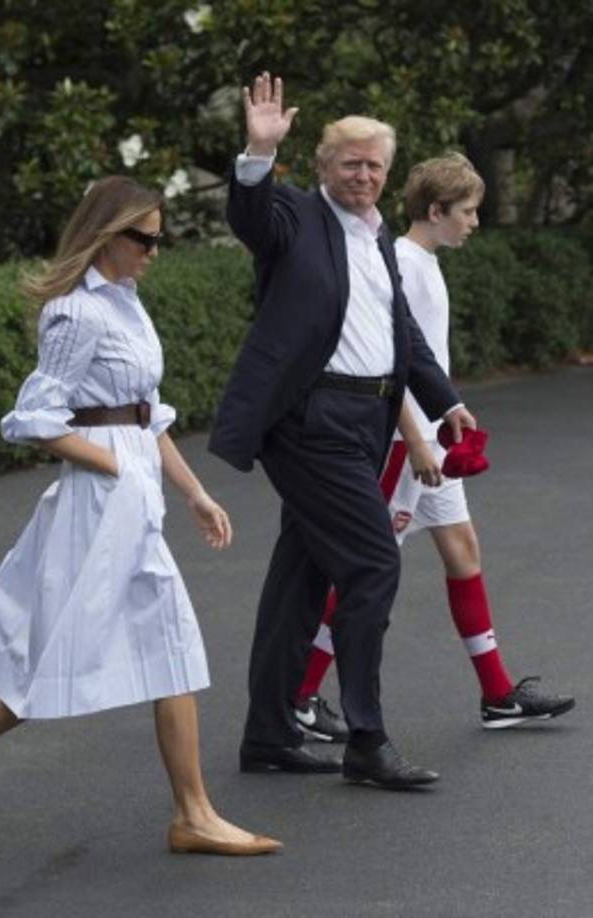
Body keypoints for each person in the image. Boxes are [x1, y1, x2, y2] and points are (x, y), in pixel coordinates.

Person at [0, 176, 281, 857]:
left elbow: (148, 413)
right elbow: (33, 419)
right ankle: (189, 814)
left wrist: (193, 492)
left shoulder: (129, 305)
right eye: (142, 239)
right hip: (99, 497)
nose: (153, 251)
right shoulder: (74, 314)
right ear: (104, 236)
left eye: (157, 238)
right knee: (123, 638)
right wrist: (110, 465)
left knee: (139, 640)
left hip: (133, 485)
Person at [209, 73, 477, 788]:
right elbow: (251, 219)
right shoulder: (295, 218)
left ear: (387, 176)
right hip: (308, 421)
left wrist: (443, 402)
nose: (362, 174)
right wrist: (257, 153)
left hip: (366, 418)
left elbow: (401, 336)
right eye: (349, 162)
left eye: (373, 165)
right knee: (371, 563)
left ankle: (267, 737)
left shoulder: (377, 235)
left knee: (300, 579)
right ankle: (366, 739)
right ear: (324, 168)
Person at [293, 153, 575, 741]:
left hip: (429, 445)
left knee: (464, 551)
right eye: (468, 212)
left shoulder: (424, 261)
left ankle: (497, 694)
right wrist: (418, 440)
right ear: (436, 210)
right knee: (362, 574)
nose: (475, 222)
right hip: (407, 448)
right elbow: (389, 363)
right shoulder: (402, 264)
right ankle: (300, 695)